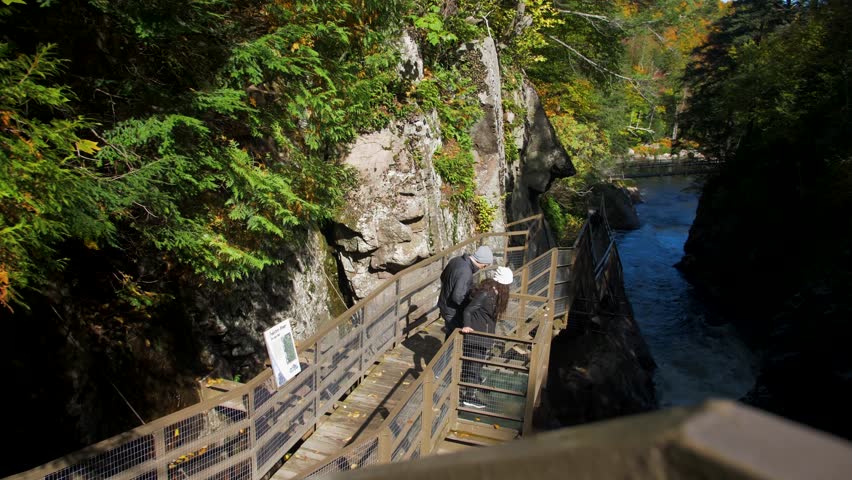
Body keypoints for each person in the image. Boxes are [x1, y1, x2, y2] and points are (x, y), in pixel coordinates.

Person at [459, 266, 513, 409]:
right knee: (474, 365)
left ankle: (471, 389)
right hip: (477, 334)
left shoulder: (493, 292)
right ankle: (469, 397)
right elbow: (468, 310)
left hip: (484, 334)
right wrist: (467, 326)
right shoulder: (486, 293)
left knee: (475, 365)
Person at [437, 245, 493, 339]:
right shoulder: (466, 271)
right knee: (455, 338)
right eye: (485, 265)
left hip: (444, 304)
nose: (483, 268)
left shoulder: (456, 260)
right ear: (482, 262)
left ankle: (446, 352)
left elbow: (443, 277)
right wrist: (471, 305)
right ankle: (447, 354)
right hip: (452, 310)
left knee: (450, 335)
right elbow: (458, 297)